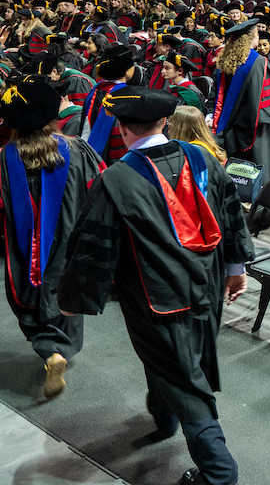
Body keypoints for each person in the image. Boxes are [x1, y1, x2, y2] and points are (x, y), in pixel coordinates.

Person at [57, 87, 253, 485]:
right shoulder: (202, 157)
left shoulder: (116, 179)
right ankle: (164, 418)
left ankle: (219, 472)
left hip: (155, 300)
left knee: (185, 380)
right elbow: (232, 214)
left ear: (122, 128)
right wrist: (236, 268)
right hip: (207, 286)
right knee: (180, 362)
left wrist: (75, 298)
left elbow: (95, 246)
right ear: (165, 121)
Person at [0, 77, 104, 398]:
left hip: (24, 252)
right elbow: (100, 191)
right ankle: (61, 348)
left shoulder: (5, 158)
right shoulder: (78, 149)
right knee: (64, 298)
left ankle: (51, 350)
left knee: (29, 303)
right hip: (69, 248)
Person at [210, 19, 270, 177]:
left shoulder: (225, 62)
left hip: (232, 127)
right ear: (252, 37)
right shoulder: (258, 62)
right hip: (256, 128)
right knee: (258, 172)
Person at [79, 45, 135, 163]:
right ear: (127, 71)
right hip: (109, 161)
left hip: (87, 152)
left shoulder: (96, 89)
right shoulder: (125, 95)